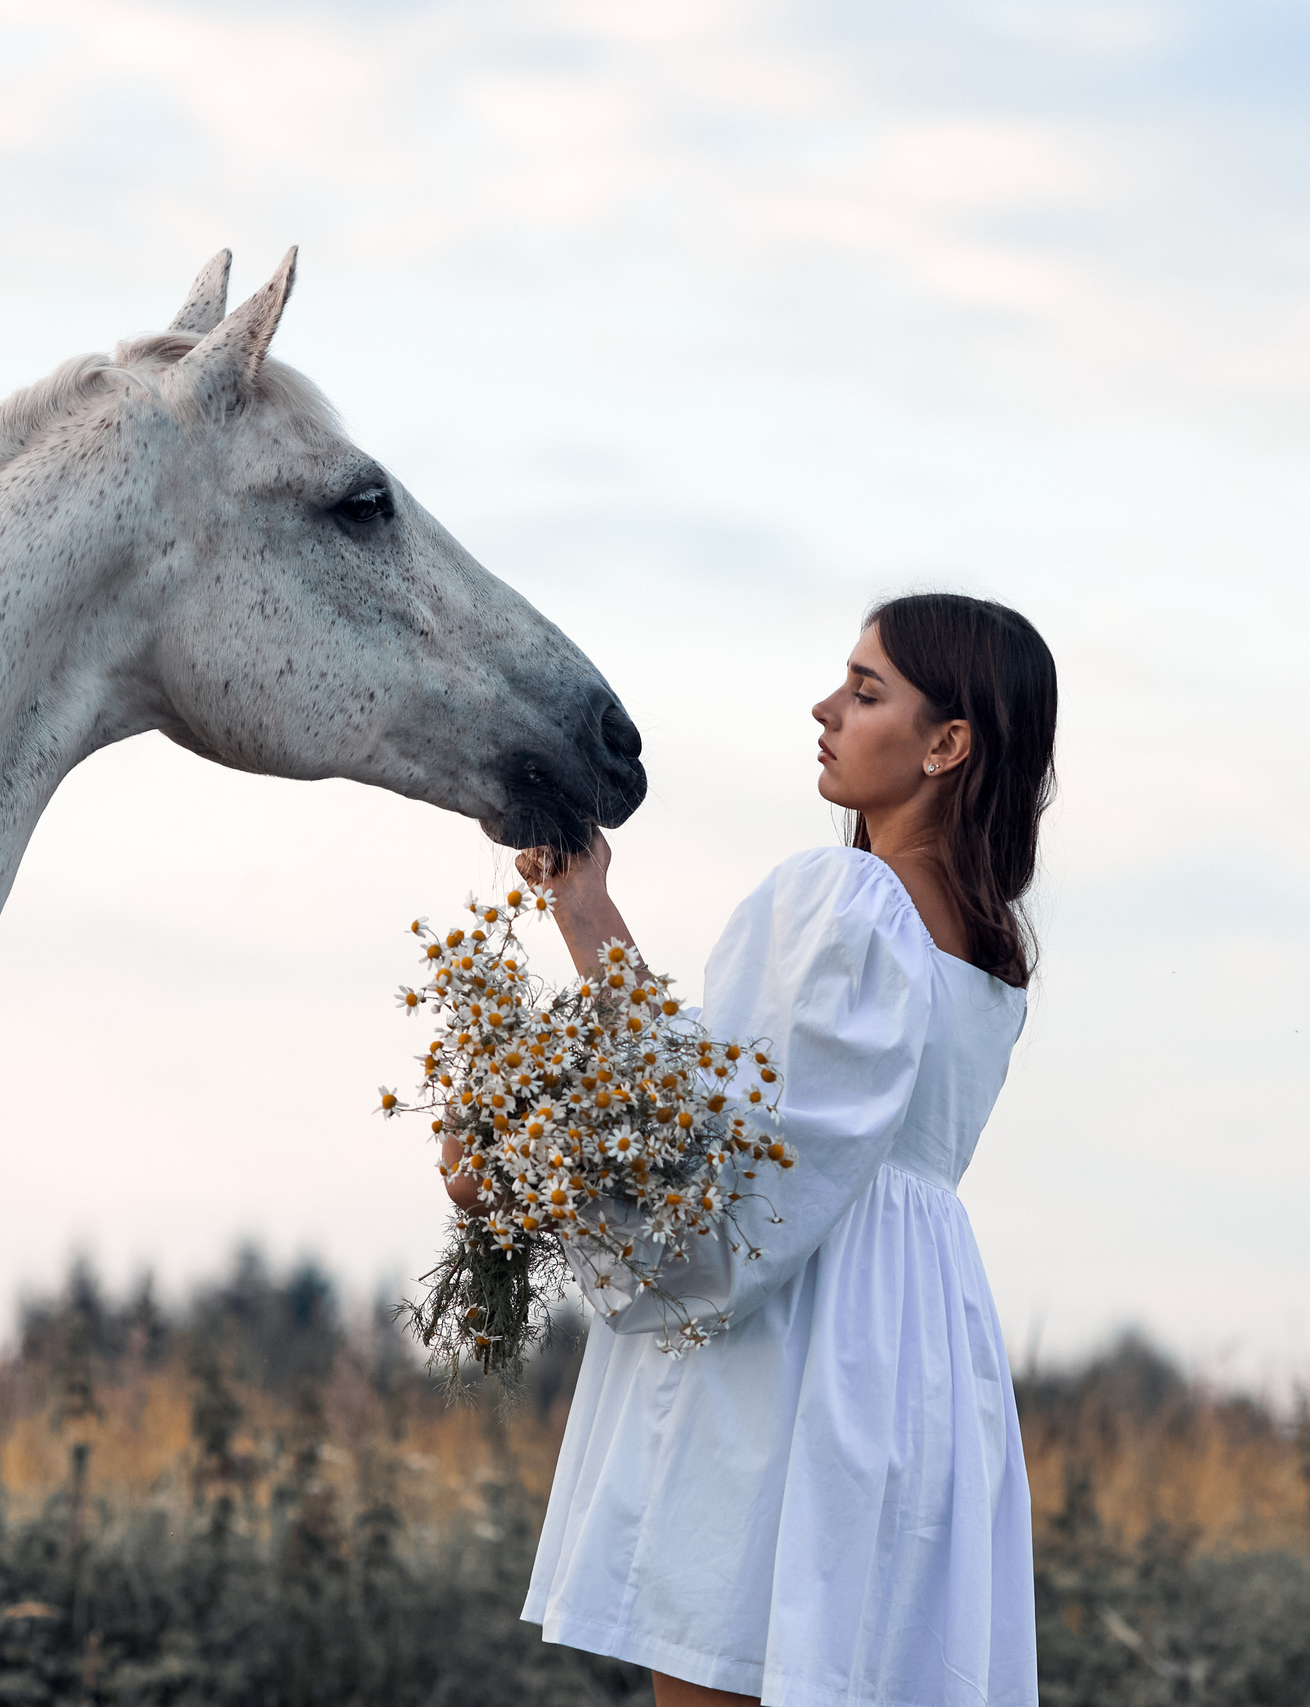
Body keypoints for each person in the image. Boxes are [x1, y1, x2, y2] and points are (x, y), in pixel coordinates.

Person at [448, 593, 1058, 1707]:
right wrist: (586, 907)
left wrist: (540, 1179)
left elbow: (724, 1161)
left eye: (867, 691)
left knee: (726, 1664)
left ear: (947, 744)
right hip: (920, 1350)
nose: (826, 707)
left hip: (798, 1340)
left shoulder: (849, 898)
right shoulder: (989, 958)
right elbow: (749, 1117)